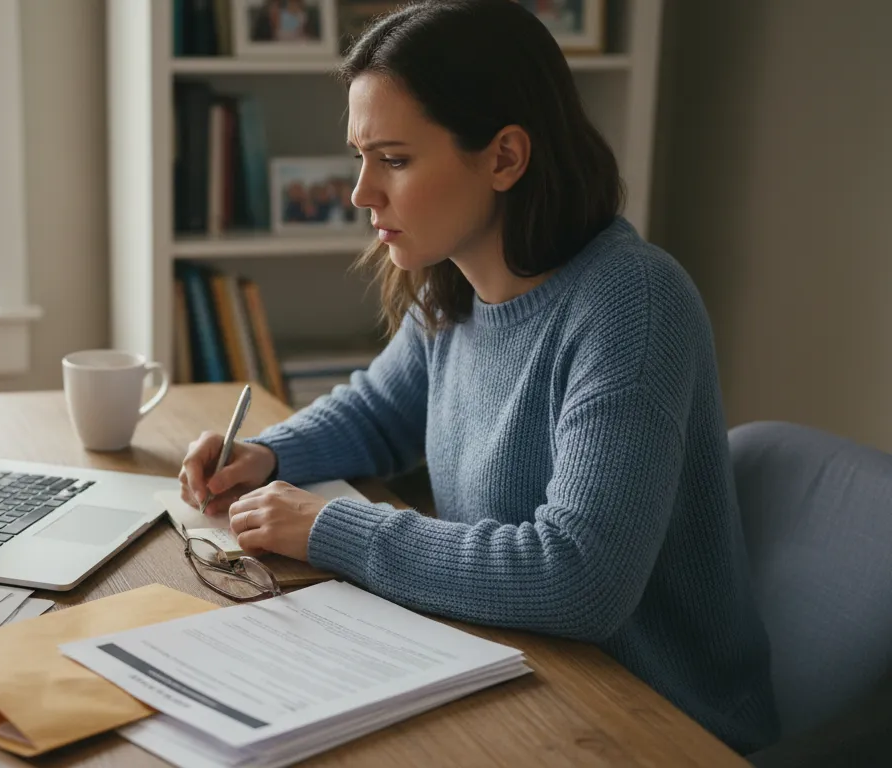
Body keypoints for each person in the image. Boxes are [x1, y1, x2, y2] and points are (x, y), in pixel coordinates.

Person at [178, 0, 780, 754]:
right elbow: (379, 413)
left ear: (504, 157)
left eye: (393, 159)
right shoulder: (450, 283)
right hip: (514, 666)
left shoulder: (634, 306)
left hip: (650, 718)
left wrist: (331, 528)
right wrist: (267, 454)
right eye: (361, 156)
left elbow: (578, 578)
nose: (362, 192)